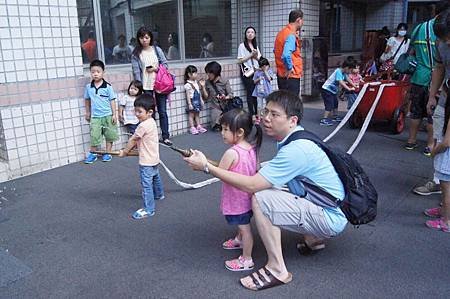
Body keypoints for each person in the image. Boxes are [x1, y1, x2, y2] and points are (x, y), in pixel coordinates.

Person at [184, 90, 347, 291]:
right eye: (265, 111)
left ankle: (278, 268)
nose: (266, 118)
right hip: (328, 204)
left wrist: (207, 167)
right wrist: (206, 162)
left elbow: (251, 184)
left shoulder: (296, 150)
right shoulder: (294, 138)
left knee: (261, 198)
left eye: (274, 114)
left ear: (292, 120)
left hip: (331, 216)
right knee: (271, 186)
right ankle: (314, 239)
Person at [218, 109, 262, 272]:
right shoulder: (251, 148)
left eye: (226, 129)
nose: (222, 133)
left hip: (236, 199)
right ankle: (238, 239)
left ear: (240, 132)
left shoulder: (231, 153)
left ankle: (247, 259)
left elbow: (220, 173)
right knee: (243, 223)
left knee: (245, 228)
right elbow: (256, 168)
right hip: (248, 197)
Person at [423, 8, 450, 232]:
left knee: (445, 161)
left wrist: (440, 145)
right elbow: (439, 67)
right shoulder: (442, 43)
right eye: (442, 39)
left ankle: (447, 218)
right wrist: (433, 95)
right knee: (444, 162)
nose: (446, 42)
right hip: (446, 98)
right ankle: (445, 207)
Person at [119, 94, 165, 220]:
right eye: (135, 111)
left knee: (146, 185)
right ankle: (159, 194)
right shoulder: (151, 122)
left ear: (150, 112)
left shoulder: (143, 125)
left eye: (139, 111)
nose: (136, 114)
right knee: (155, 176)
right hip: (154, 157)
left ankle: (149, 209)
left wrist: (125, 151)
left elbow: (133, 140)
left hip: (146, 161)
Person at [131, 26, 173, 146]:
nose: (144, 40)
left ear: (150, 38)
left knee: (162, 111)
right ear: (138, 39)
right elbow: (136, 71)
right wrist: (139, 87)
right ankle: (152, 137)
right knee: (150, 113)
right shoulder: (136, 53)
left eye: (146, 37)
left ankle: (165, 136)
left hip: (160, 85)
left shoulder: (156, 50)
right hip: (146, 86)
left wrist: (156, 68)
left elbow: (165, 64)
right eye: (141, 37)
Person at [83, 59, 118, 164]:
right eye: (93, 72)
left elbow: (112, 100)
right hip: (95, 117)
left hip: (108, 115)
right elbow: (87, 100)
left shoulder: (108, 87)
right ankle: (93, 154)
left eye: (98, 72)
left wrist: (114, 114)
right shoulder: (89, 87)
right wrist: (88, 112)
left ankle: (108, 153)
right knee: (94, 135)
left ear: (103, 72)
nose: (95, 74)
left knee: (109, 135)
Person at [274, 10, 304, 96]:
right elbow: (286, 54)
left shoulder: (281, 33)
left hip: (281, 75)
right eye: (302, 20)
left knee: (284, 104)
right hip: (291, 76)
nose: (303, 23)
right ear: (298, 20)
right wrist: (289, 67)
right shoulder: (291, 35)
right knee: (292, 105)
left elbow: (276, 51)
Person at [199, 61, 234, 131]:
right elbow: (206, 98)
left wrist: (225, 97)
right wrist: (203, 87)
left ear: (215, 73)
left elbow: (231, 95)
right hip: (215, 107)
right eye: (207, 73)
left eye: (209, 73)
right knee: (215, 126)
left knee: (227, 125)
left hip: (226, 106)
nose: (208, 75)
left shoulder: (224, 80)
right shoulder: (208, 82)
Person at [320, 57, 356, 126]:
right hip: (327, 90)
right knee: (329, 104)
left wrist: (354, 85)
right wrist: (349, 89)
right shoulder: (338, 72)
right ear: (347, 68)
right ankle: (324, 120)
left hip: (332, 91)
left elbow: (348, 79)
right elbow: (341, 82)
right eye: (350, 70)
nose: (350, 72)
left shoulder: (344, 73)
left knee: (335, 103)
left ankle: (335, 116)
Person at [238, 26, 262, 118]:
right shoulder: (242, 46)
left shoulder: (255, 45)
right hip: (247, 73)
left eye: (252, 32)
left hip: (255, 72)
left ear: (255, 34)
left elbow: (259, 59)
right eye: (248, 32)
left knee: (255, 93)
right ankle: (252, 114)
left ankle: (256, 113)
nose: (250, 34)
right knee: (250, 92)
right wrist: (250, 55)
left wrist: (255, 56)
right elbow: (239, 60)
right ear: (245, 34)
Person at [184, 65, 207, 135]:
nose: (196, 74)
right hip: (192, 101)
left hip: (197, 100)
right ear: (189, 74)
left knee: (197, 114)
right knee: (191, 115)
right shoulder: (187, 85)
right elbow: (187, 95)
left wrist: (201, 100)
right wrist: (189, 104)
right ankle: (192, 127)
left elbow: (198, 92)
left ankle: (198, 126)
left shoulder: (196, 82)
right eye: (195, 73)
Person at [252, 57, 274, 122]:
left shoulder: (269, 71)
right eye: (262, 67)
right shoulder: (257, 72)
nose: (263, 68)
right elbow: (254, 81)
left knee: (268, 105)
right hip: (259, 91)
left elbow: (269, 79)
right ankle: (258, 118)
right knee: (259, 106)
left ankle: (268, 117)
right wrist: (258, 79)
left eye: (265, 66)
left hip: (267, 91)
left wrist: (265, 71)